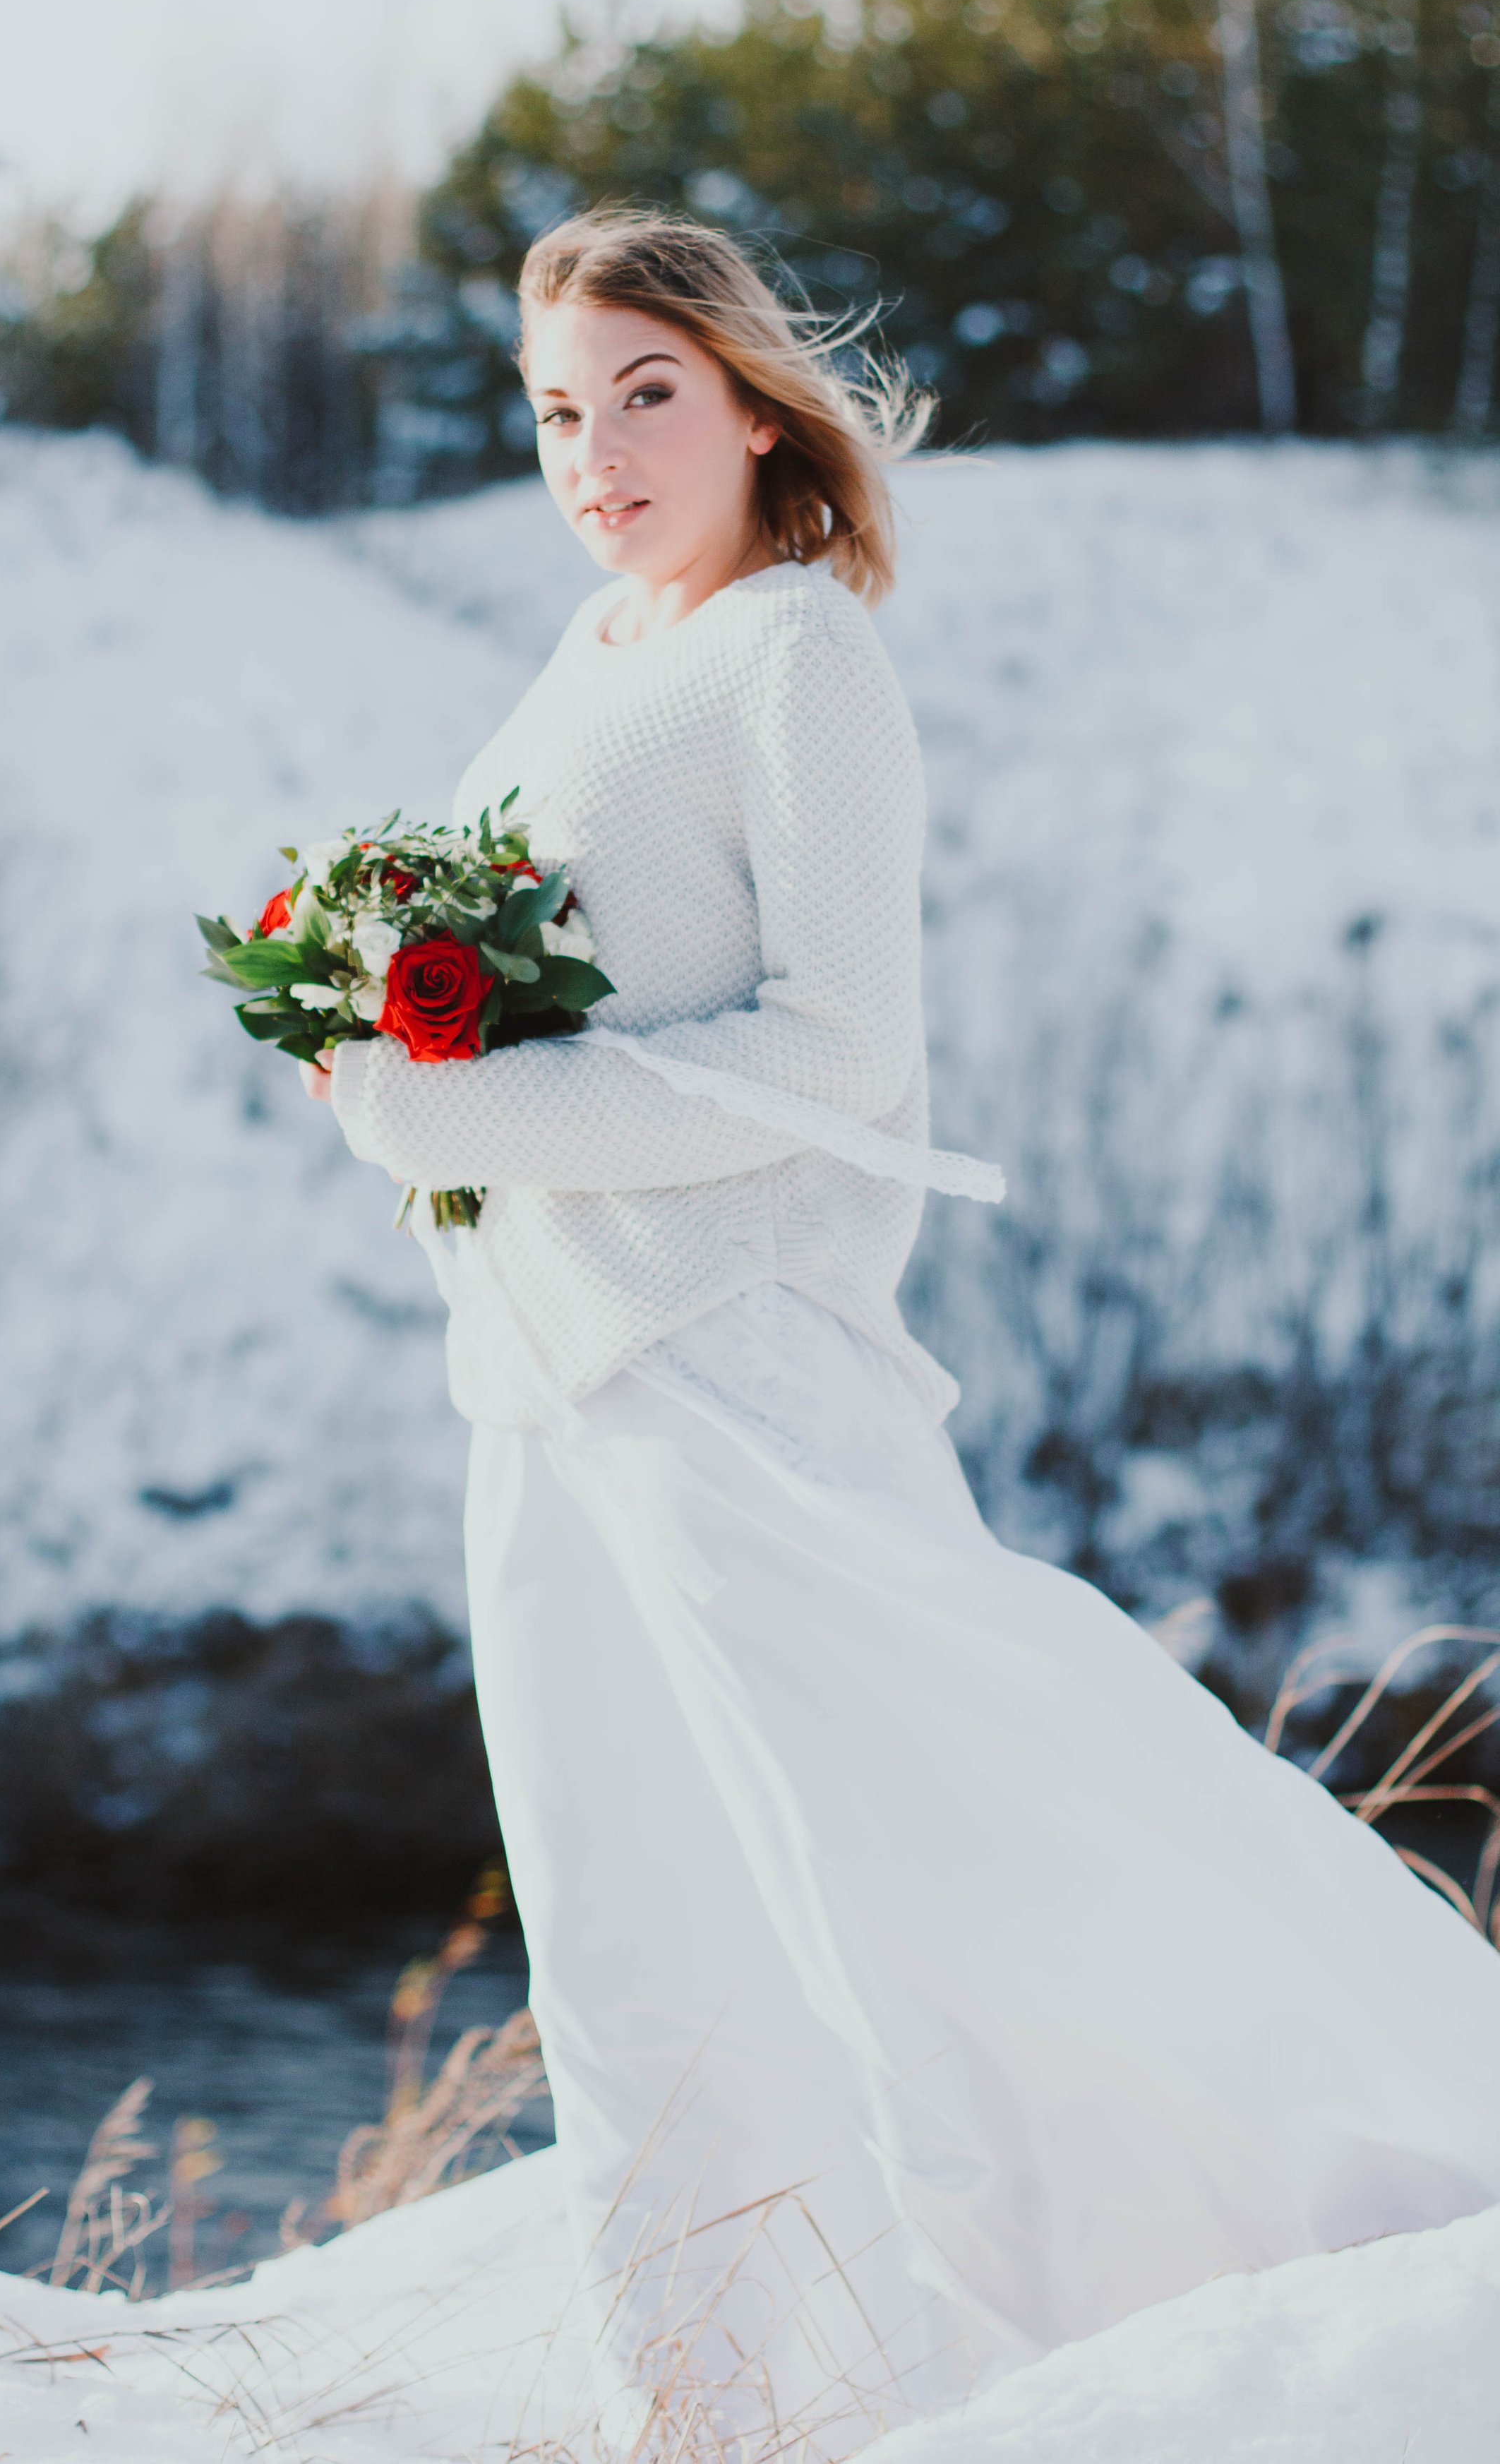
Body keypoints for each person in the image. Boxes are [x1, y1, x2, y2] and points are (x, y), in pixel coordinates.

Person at [300, 209, 1500, 2458]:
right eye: (561, 406)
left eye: (647, 392)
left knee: (954, 1828)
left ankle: (1323, 2202)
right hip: (550, 1388)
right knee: (636, 1929)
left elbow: (842, 1049)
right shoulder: (583, 648)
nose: (599, 448)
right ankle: (729, 2395)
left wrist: (459, 1099)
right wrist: (381, 1047)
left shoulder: (793, 655)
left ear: (758, 403)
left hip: (738, 1359)